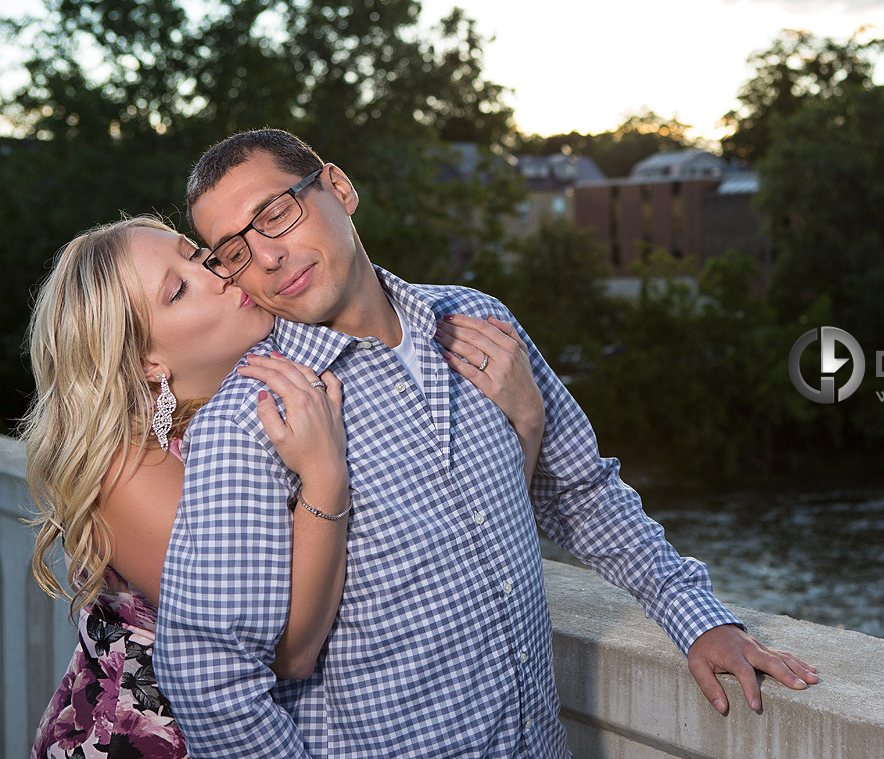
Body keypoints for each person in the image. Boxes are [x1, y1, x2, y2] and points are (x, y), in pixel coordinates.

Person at [155, 128, 819, 757]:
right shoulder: (249, 420)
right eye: (234, 251)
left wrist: (696, 616)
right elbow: (207, 677)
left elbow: (581, 489)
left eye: (275, 214)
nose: (266, 256)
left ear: (338, 187)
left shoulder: (480, 321)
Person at [21, 216, 544, 758]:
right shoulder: (128, 472)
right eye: (178, 290)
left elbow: (465, 528)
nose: (219, 272)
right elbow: (289, 650)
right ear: (147, 362)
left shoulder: (281, 390)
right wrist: (324, 478)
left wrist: (526, 422)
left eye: (198, 255)